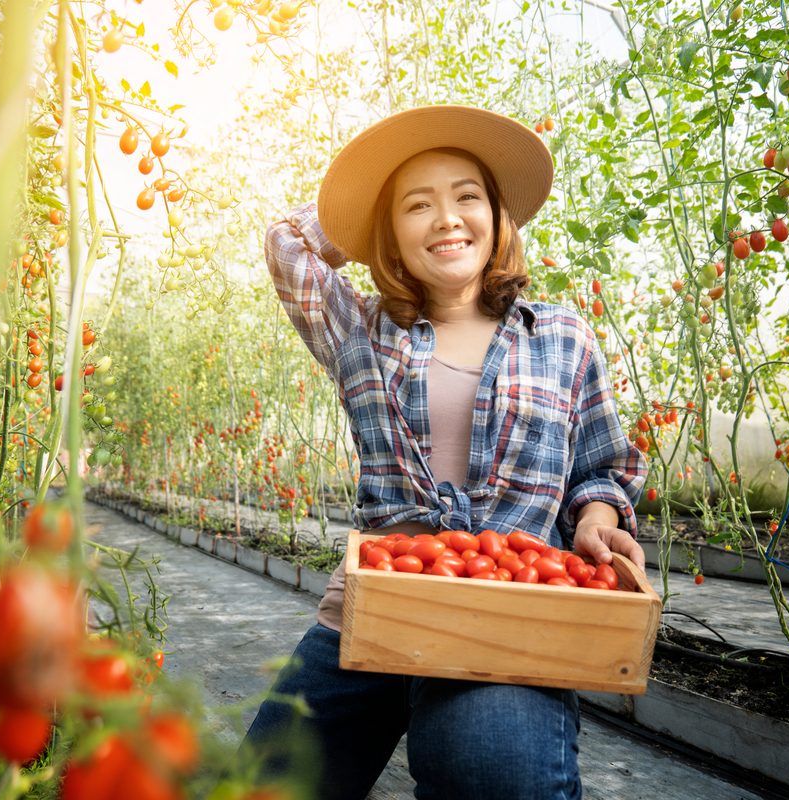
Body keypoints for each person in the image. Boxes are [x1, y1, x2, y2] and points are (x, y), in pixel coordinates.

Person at [242, 105, 647, 800]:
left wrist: (597, 516)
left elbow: (601, 466)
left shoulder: (561, 336)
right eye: (416, 205)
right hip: (380, 604)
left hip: (513, 615)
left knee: (489, 767)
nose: (447, 219)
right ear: (388, 231)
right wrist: (357, 207)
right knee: (262, 788)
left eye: (467, 197)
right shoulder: (360, 329)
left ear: (497, 215)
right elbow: (287, 244)